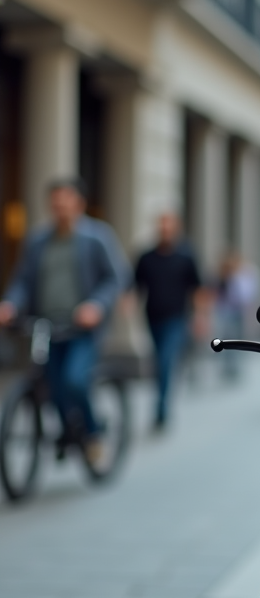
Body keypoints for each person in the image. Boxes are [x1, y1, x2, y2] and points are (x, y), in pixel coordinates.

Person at [0, 178, 129, 459]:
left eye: (65, 203)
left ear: (79, 204)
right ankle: (68, 429)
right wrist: (10, 304)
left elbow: (115, 278)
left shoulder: (97, 237)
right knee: (51, 383)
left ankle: (93, 433)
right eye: (54, 204)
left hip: (82, 327)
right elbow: (22, 281)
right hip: (46, 326)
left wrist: (96, 306)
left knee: (74, 380)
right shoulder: (37, 241)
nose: (59, 209)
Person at [133, 212, 202, 430]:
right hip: (152, 318)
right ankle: (162, 400)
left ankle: (161, 409)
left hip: (177, 318)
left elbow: (197, 289)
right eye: (161, 226)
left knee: (165, 361)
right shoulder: (146, 257)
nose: (165, 230)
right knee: (159, 362)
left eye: (168, 226)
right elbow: (135, 284)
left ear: (176, 228)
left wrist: (200, 317)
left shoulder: (186, 256)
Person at [214, 251, 260, 380]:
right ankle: (228, 365)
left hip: (238, 310)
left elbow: (247, 293)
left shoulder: (243, 274)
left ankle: (235, 365)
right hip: (226, 311)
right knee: (228, 337)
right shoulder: (222, 275)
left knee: (237, 337)